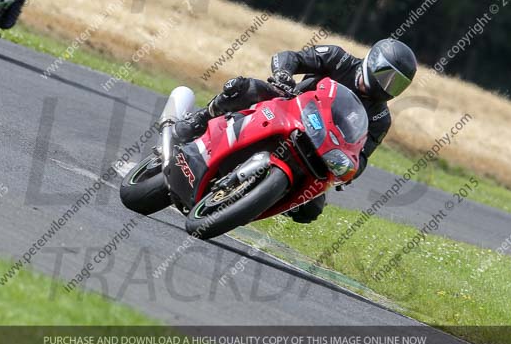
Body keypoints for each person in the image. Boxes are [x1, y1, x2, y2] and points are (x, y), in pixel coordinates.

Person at [174, 38, 417, 223]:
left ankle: (263, 196)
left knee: (311, 209)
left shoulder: (380, 119)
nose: (388, 86)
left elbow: (361, 156)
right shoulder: (338, 59)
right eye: (387, 76)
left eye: (397, 84)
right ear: (373, 62)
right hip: (289, 107)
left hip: (319, 150)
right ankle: (201, 118)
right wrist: (283, 74)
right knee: (244, 88)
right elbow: (290, 57)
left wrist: (349, 170)